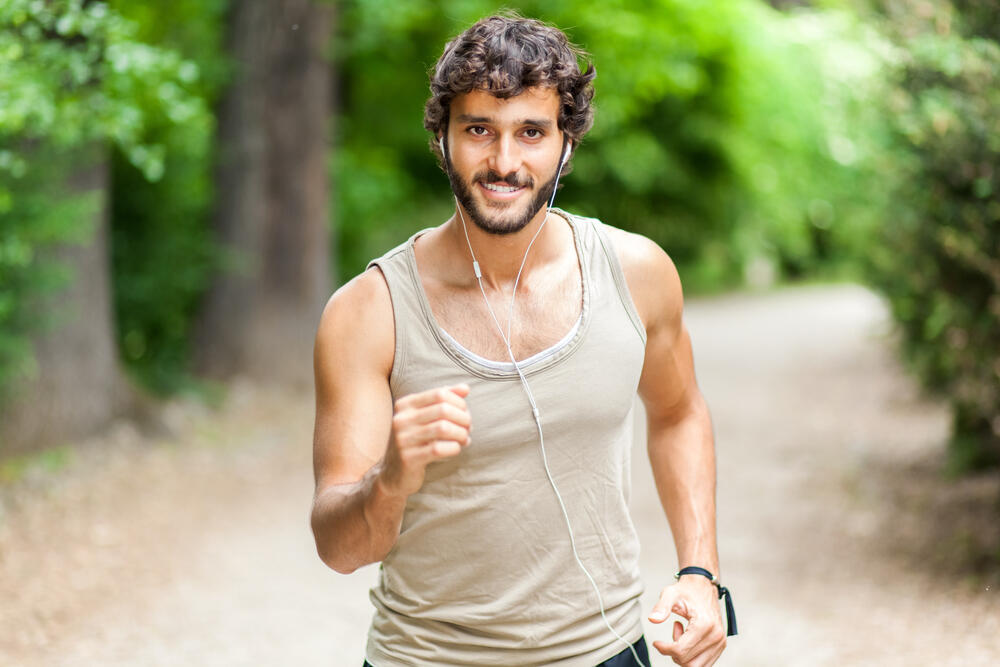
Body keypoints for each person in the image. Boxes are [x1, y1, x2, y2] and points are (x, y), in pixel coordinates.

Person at [311, 14, 731, 667]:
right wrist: (390, 476)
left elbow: (678, 415)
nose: (504, 162)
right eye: (478, 129)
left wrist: (700, 575)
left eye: (531, 133)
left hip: (604, 652)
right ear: (442, 141)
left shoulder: (638, 273)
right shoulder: (368, 312)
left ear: (566, 144)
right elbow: (338, 547)